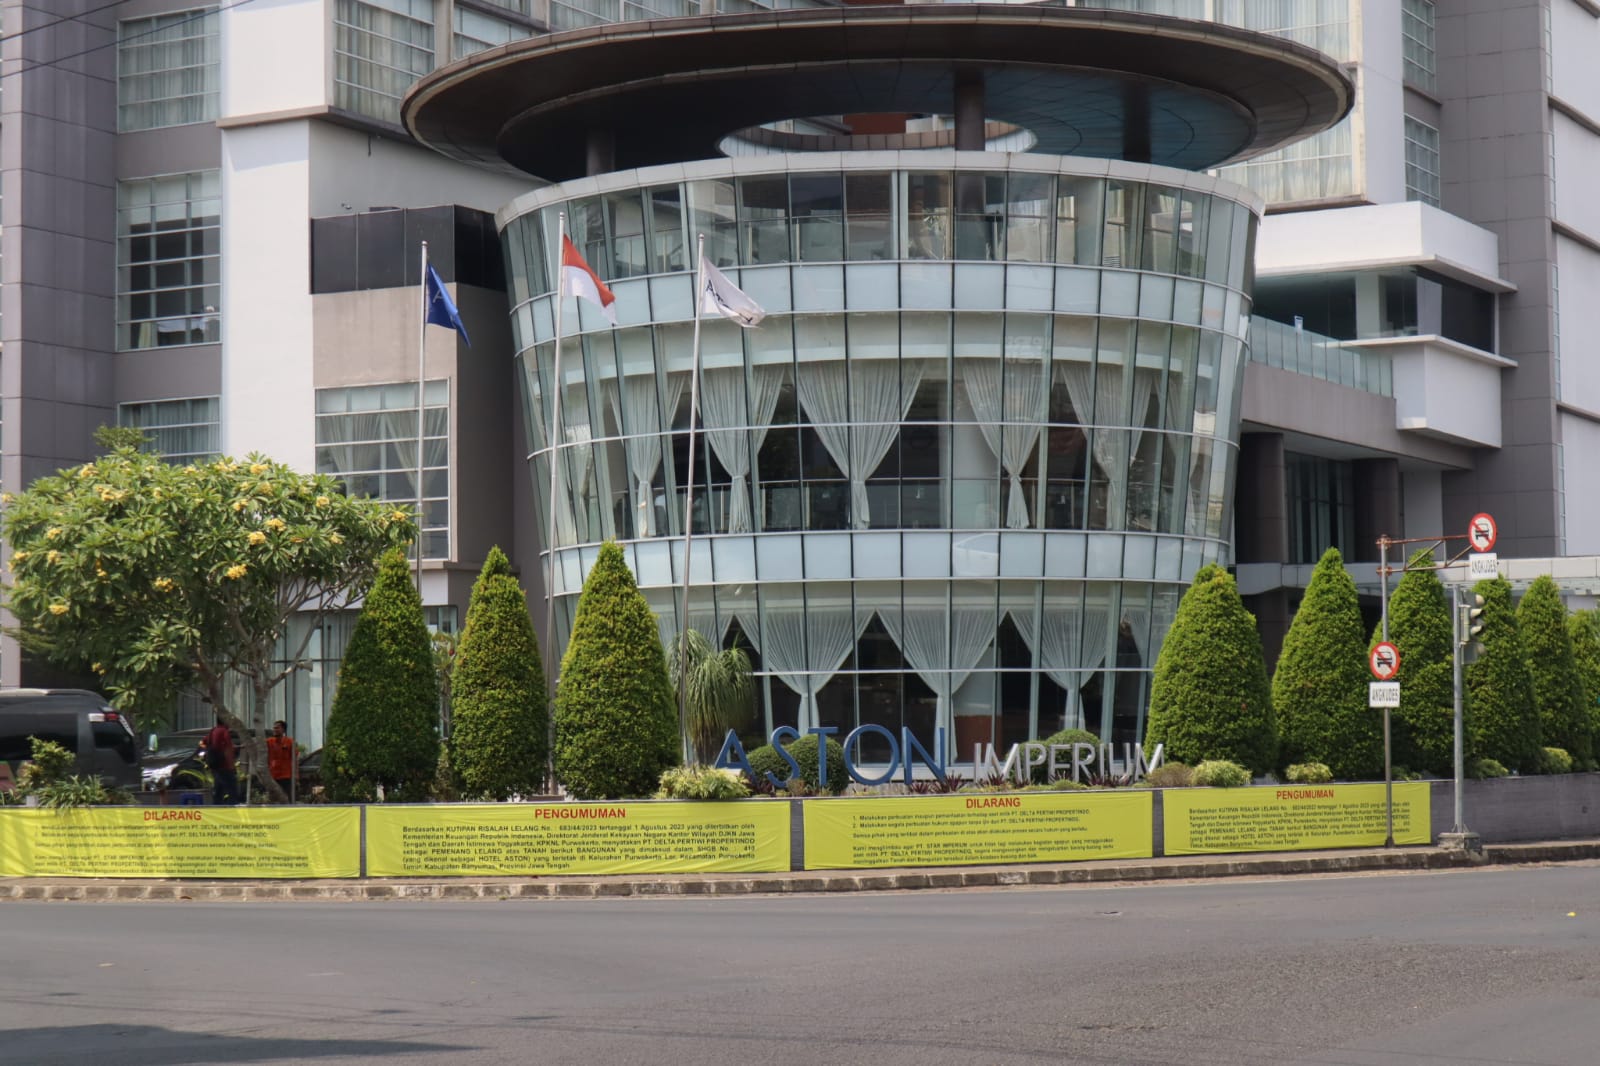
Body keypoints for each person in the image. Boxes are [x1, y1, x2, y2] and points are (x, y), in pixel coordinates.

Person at [203, 714, 238, 805]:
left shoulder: (213, 731)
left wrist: (210, 751)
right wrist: (232, 766)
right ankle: (232, 809)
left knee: (218, 789)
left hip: (214, 765)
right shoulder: (224, 731)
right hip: (224, 766)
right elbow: (228, 750)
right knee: (232, 789)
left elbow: (203, 742)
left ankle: (217, 808)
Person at [266, 720, 296, 802]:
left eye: (277, 728)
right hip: (273, 776)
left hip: (286, 776)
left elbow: (295, 759)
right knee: (273, 799)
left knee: (288, 798)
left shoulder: (290, 742)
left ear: (283, 730)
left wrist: (296, 775)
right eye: (274, 728)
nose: (275, 730)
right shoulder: (269, 742)